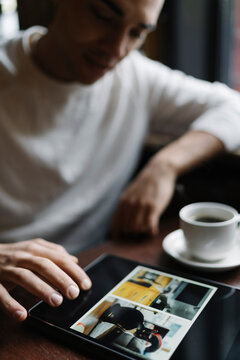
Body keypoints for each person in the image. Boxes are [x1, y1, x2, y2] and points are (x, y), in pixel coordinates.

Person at [0, 0, 239, 322]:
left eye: (138, 32)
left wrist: (164, 166)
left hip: (94, 275)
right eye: (103, 16)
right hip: (12, 293)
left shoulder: (137, 76)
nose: (117, 49)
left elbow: (234, 108)